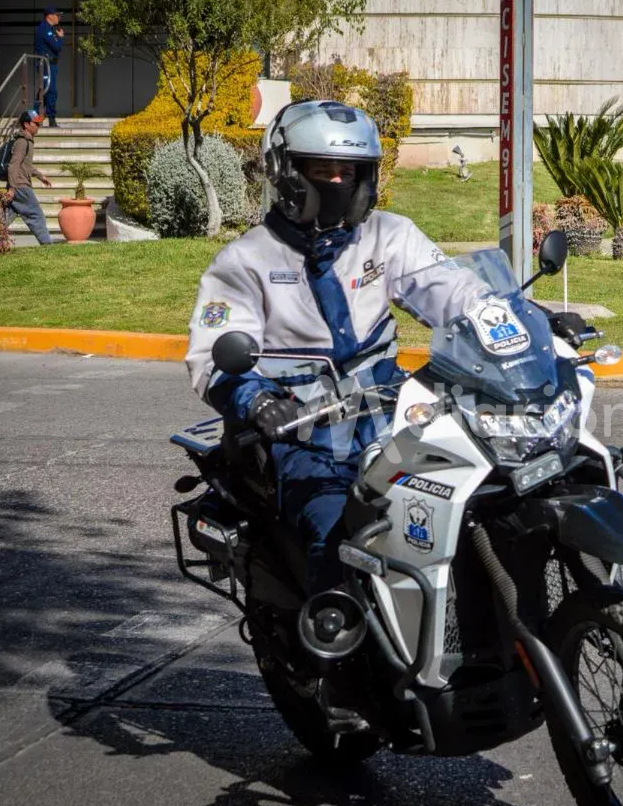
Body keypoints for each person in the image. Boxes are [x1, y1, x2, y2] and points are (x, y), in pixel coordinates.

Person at [185, 100, 487, 593]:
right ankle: (335, 645)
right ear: (285, 173)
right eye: (321, 170)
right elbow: (213, 353)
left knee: (471, 504)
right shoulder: (245, 260)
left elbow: (451, 289)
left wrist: (511, 318)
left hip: (394, 423)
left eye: (348, 171)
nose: (337, 183)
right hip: (304, 437)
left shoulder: (388, 236)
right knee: (336, 538)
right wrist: (258, 401)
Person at [4, 109, 55, 245]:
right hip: (20, 186)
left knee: (6, 217)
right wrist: (13, 189)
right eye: (36, 123)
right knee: (36, 215)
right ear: (26, 125)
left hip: (18, 184)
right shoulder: (22, 142)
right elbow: (13, 166)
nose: (38, 126)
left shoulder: (27, 141)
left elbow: (25, 165)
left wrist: (40, 176)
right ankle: (48, 245)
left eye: (39, 124)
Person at [33, 6, 63, 127]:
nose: (59, 17)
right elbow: (57, 47)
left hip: (51, 64)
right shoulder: (44, 29)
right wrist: (60, 38)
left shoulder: (50, 28)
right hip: (46, 65)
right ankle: (46, 118)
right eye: (57, 15)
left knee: (45, 91)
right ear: (50, 16)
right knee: (49, 91)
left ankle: (37, 118)